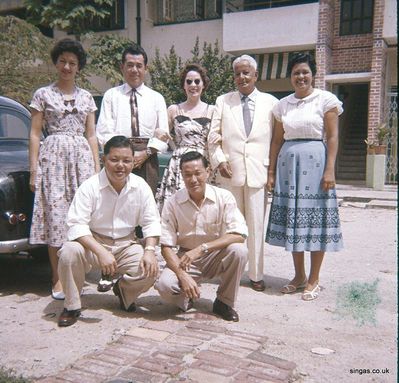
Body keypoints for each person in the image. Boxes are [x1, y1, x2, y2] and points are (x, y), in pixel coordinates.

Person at [57, 136, 161, 327]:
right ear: (104, 159)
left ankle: (124, 291)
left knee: (152, 268)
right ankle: (71, 306)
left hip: (126, 244)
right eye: (114, 160)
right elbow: (76, 225)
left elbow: (151, 222)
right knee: (69, 251)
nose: (120, 166)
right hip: (93, 243)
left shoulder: (140, 187)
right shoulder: (90, 186)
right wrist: (101, 251)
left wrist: (150, 251)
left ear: (133, 161)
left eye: (126, 160)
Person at [265, 52, 344, 301]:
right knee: (295, 222)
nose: (301, 76)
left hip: (317, 165)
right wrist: (270, 172)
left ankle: (314, 278)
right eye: (296, 72)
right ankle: (298, 276)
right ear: (290, 76)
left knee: (315, 223)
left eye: (305, 72)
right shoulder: (282, 105)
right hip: (289, 167)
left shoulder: (326, 100)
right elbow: (277, 140)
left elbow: (332, 137)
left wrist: (330, 169)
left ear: (313, 74)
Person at [29, 38, 100, 300]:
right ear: (56, 63)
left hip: (81, 159)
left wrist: (96, 168)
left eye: (72, 62)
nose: (67, 67)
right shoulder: (43, 94)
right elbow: (35, 134)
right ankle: (57, 277)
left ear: (79, 66)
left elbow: (92, 135)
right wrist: (34, 169)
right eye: (63, 61)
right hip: (54, 159)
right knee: (57, 216)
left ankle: (81, 270)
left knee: (82, 215)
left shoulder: (86, 97)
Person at [208, 54, 278, 291]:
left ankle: (256, 275)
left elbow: (277, 138)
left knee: (256, 225)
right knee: (231, 225)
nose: (241, 77)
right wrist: (219, 161)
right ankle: (231, 271)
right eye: (237, 73)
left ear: (256, 75)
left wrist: (272, 171)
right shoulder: (223, 101)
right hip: (230, 173)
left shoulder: (271, 102)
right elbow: (213, 137)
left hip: (258, 172)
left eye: (246, 72)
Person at [155, 152, 248, 322]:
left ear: (208, 171)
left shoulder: (223, 197)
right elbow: (166, 247)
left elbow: (239, 234)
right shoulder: (173, 202)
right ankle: (187, 296)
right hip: (185, 259)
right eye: (187, 175)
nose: (193, 179)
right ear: (181, 175)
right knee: (164, 286)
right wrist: (182, 275)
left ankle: (224, 302)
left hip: (215, 255)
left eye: (198, 173)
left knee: (239, 251)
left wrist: (202, 248)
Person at [96, 44, 169, 195]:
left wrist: (145, 153)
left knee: (145, 203)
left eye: (139, 66)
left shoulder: (156, 98)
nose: (134, 70)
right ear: (122, 67)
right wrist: (125, 156)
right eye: (130, 65)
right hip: (118, 158)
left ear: (146, 69)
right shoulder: (111, 96)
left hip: (148, 157)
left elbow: (163, 135)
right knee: (115, 201)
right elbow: (103, 132)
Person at [156, 63, 215, 212]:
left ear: (203, 84)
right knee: (178, 206)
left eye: (197, 81)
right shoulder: (174, 110)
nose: (193, 85)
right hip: (178, 163)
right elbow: (162, 135)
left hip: (202, 160)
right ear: (183, 85)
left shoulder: (212, 110)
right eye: (188, 81)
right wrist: (158, 133)